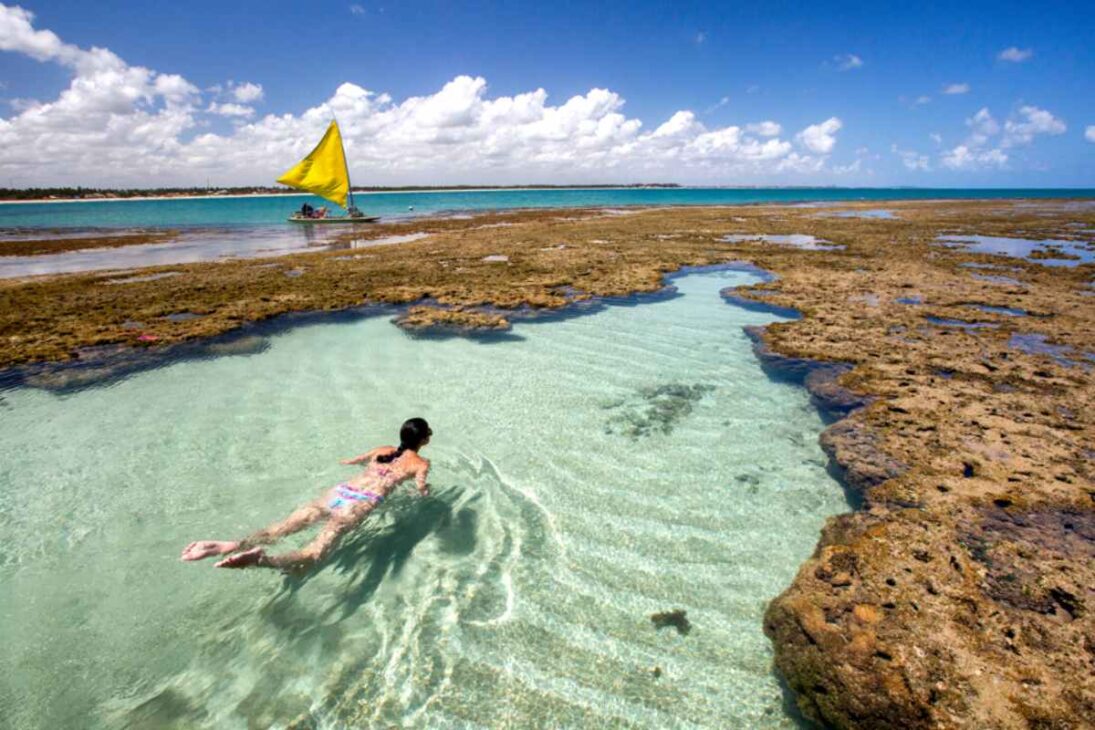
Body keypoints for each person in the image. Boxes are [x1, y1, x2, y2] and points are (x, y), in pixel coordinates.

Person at [180, 418, 432, 572]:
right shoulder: (420, 463)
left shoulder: (382, 449)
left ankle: (227, 545)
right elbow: (421, 490)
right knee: (314, 555)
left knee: (280, 529)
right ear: (424, 439)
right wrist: (424, 496)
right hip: (357, 506)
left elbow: (350, 462)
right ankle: (262, 561)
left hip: (338, 493)